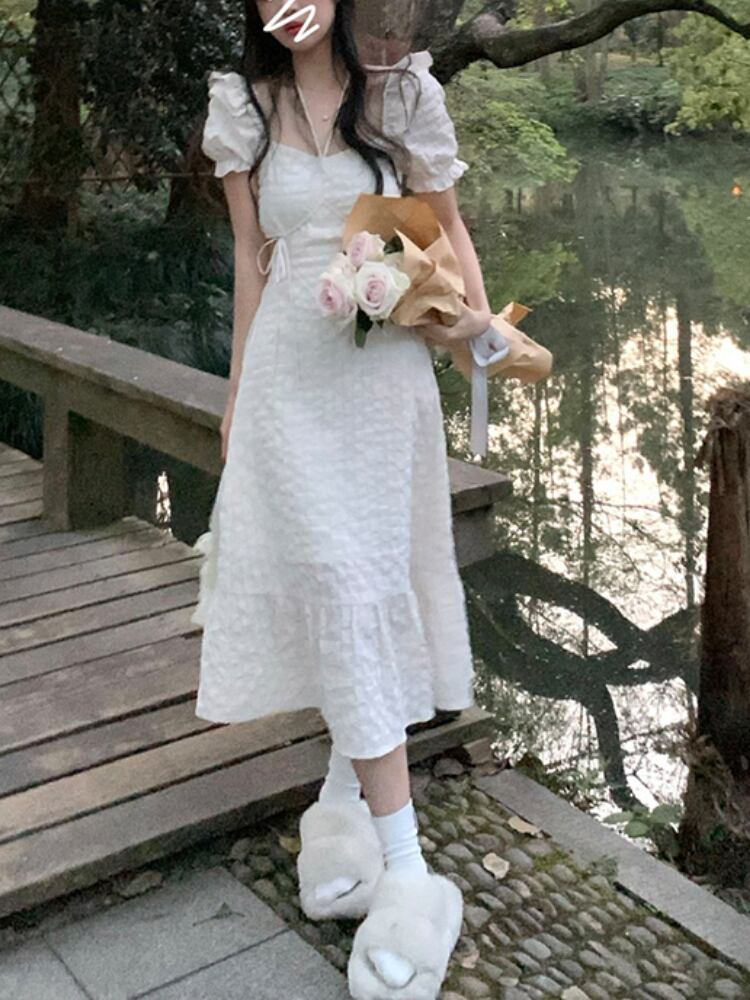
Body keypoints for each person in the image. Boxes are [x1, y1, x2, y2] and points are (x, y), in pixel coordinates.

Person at [196, 1, 494, 996]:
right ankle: (347, 812)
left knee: (364, 581)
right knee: (328, 580)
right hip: (289, 378)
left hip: (380, 383)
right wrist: (237, 394)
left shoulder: (401, 95)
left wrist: (478, 334)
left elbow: (444, 227)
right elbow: (252, 261)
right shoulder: (243, 105)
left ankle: (406, 871)